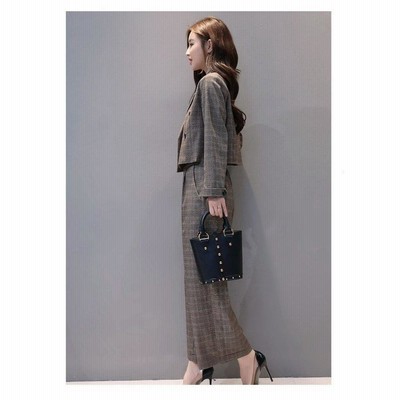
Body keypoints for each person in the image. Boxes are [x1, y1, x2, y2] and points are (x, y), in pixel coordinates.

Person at [177, 17, 273, 385]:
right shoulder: (210, 83)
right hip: (202, 184)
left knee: (207, 281)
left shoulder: (210, 83)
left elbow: (216, 137)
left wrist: (213, 190)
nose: (187, 52)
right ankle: (197, 362)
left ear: (210, 45)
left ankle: (247, 357)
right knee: (197, 280)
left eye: (192, 44)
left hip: (205, 187)